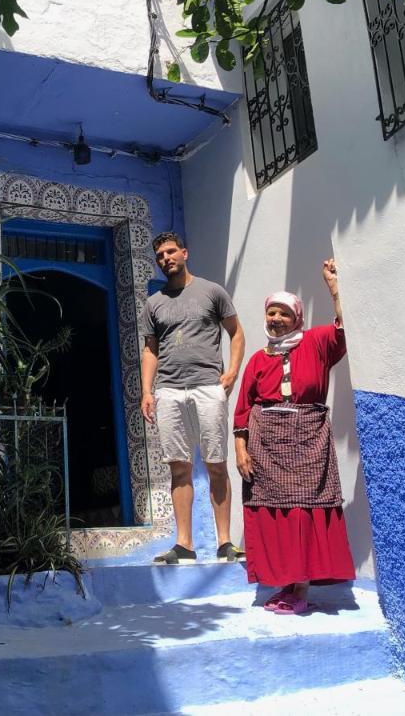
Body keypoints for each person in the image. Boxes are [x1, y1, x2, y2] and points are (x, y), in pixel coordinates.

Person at [233, 258, 354, 613]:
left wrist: (334, 289)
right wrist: (241, 449)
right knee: (273, 513)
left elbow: (346, 328)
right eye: (271, 313)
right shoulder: (257, 359)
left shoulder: (316, 343)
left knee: (302, 512)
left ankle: (300, 587)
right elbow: (243, 408)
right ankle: (286, 581)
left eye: (283, 314)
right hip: (265, 446)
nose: (275, 320)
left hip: (308, 442)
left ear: (296, 317)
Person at [141, 231, 245, 565]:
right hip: (169, 389)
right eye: (160, 255)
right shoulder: (153, 303)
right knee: (179, 467)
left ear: (184, 253)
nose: (165, 259)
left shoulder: (212, 291)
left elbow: (236, 332)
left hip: (207, 386)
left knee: (216, 463)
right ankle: (184, 545)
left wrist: (231, 372)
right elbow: (150, 349)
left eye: (170, 252)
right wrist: (147, 391)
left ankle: (225, 542)